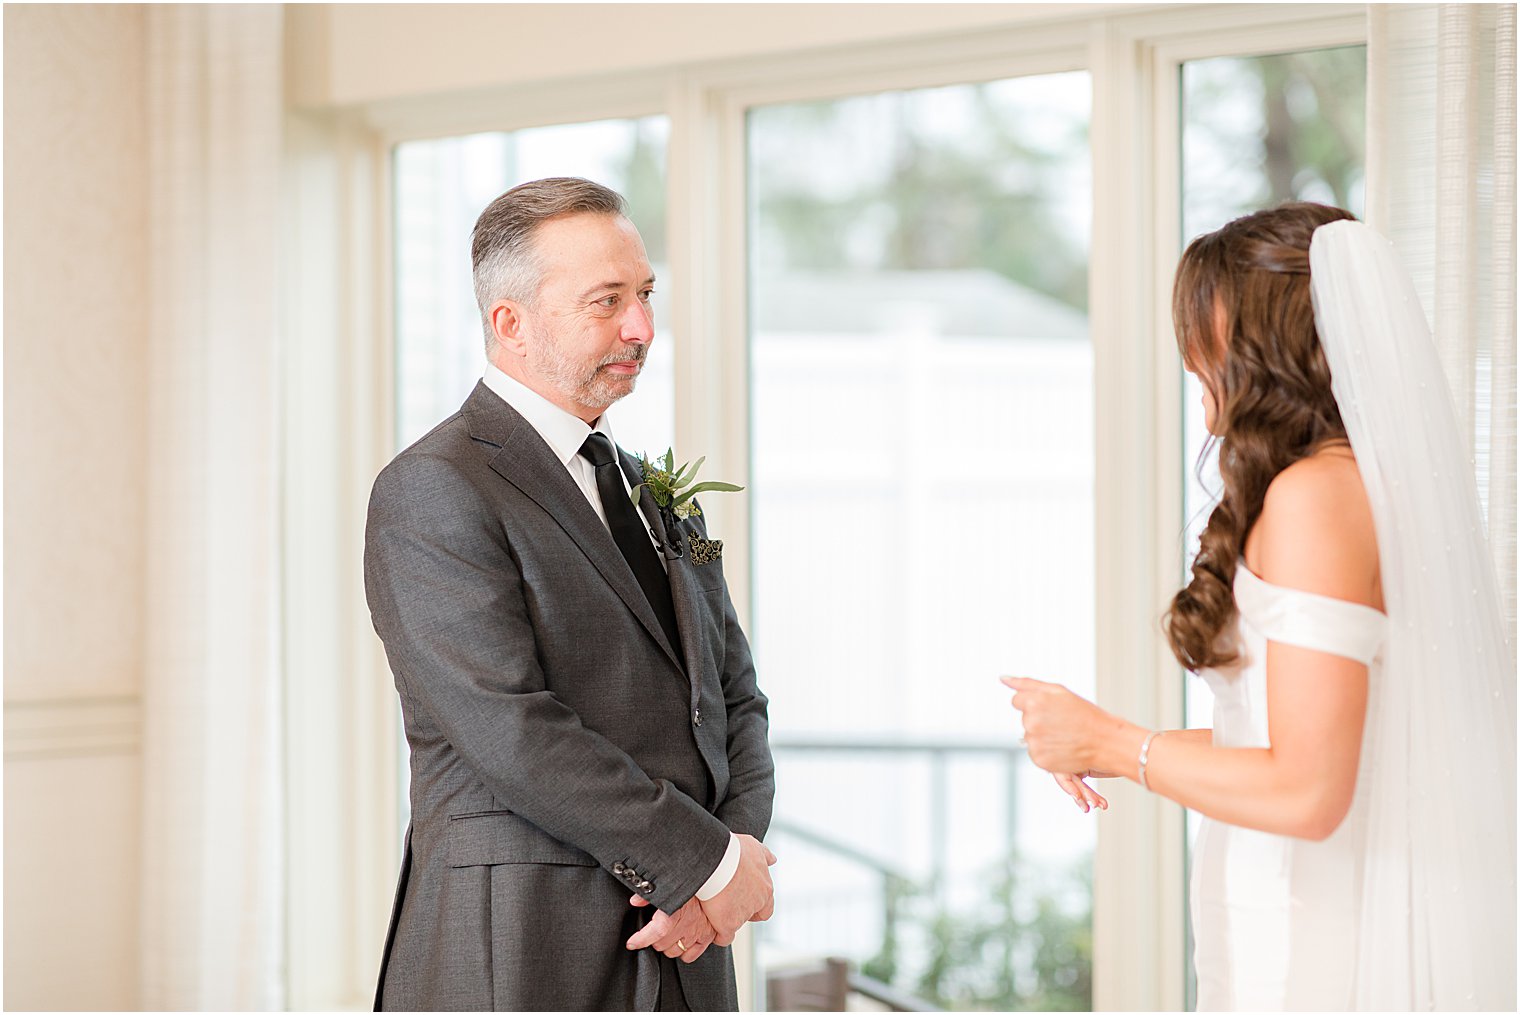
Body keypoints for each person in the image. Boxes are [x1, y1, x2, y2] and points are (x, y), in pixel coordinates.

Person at [1005, 203, 1515, 1010]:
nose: (1189, 358)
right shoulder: (1357, 486)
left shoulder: (1314, 496)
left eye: (1205, 331)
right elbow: (1312, 738)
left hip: (1309, 936)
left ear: (1272, 338)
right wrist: (1103, 744)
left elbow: (1310, 791)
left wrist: (1115, 739)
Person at [364, 177, 776, 1011]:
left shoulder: (656, 490)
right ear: (508, 323)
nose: (642, 328)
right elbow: (511, 728)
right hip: (519, 942)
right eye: (608, 300)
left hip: (687, 948)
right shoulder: (434, 487)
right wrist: (707, 865)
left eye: (646, 294)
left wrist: (733, 851)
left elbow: (734, 696)